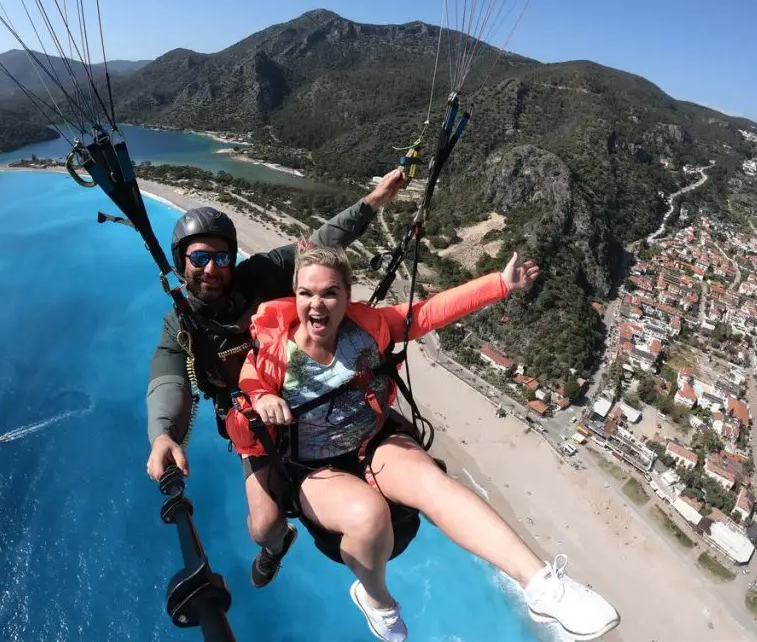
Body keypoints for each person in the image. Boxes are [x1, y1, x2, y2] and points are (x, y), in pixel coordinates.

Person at [225, 244, 621, 642]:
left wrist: (500, 283)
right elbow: (249, 382)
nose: (317, 304)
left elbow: (429, 312)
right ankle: (376, 599)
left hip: (373, 441)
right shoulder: (275, 353)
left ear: (347, 296)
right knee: (367, 515)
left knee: (433, 483)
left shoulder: (369, 326)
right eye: (306, 293)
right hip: (314, 466)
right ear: (294, 297)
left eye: (329, 293)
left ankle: (542, 586)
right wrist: (263, 398)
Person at [145, 168, 408, 589]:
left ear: (234, 259)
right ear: (183, 263)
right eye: (199, 258)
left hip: (315, 387)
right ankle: (276, 546)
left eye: (221, 257)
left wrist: (374, 200)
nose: (211, 268)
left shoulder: (263, 273)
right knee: (263, 526)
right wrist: (162, 434)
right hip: (257, 419)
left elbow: (323, 242)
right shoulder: (181, 324)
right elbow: (168, 377)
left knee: (402, 435)